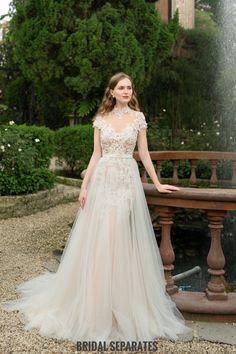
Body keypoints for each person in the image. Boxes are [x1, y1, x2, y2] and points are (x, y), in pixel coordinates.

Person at [1, 72, 191, 344]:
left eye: (129, 87)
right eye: (121, 87)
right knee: (100, 239)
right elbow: (95, 155)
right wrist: (84, 186)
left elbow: (145, 154)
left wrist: (158, 184)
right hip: (102, 180)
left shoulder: (138, 119)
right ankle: (93, 304)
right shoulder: (100, 120)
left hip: (126, 181)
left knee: (115, 238)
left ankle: (117, 305)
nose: (126, 91)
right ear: (111, 92)